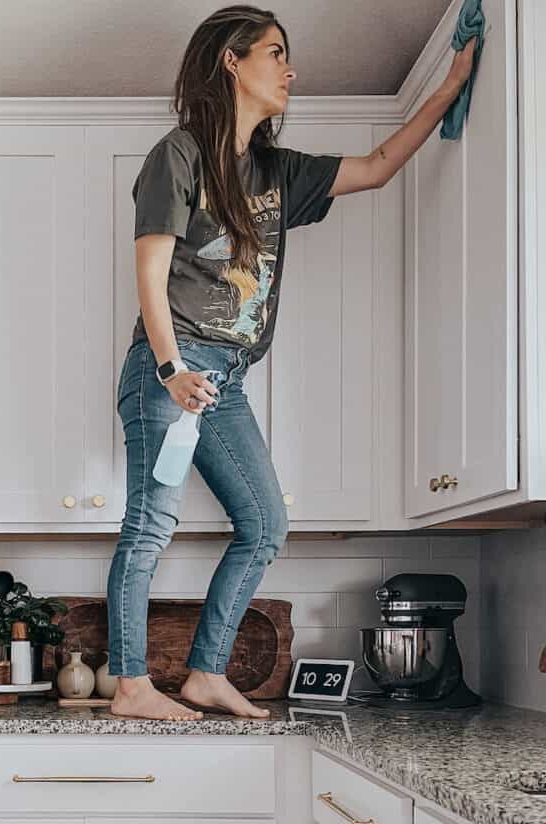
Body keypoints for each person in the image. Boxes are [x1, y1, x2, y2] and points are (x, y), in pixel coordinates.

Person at [106, 5, 476, 720]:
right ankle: (130, 684)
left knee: (266, 524)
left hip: (227, 381)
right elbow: (149, 275)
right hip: (171, 372)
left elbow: (378, 166)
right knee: (149, 525)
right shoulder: (178, 155)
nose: (290, 67)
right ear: (231, 61)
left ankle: (205, 673)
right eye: (275, 52)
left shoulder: (278, 172)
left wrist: (451, 81)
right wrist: (168, 369)